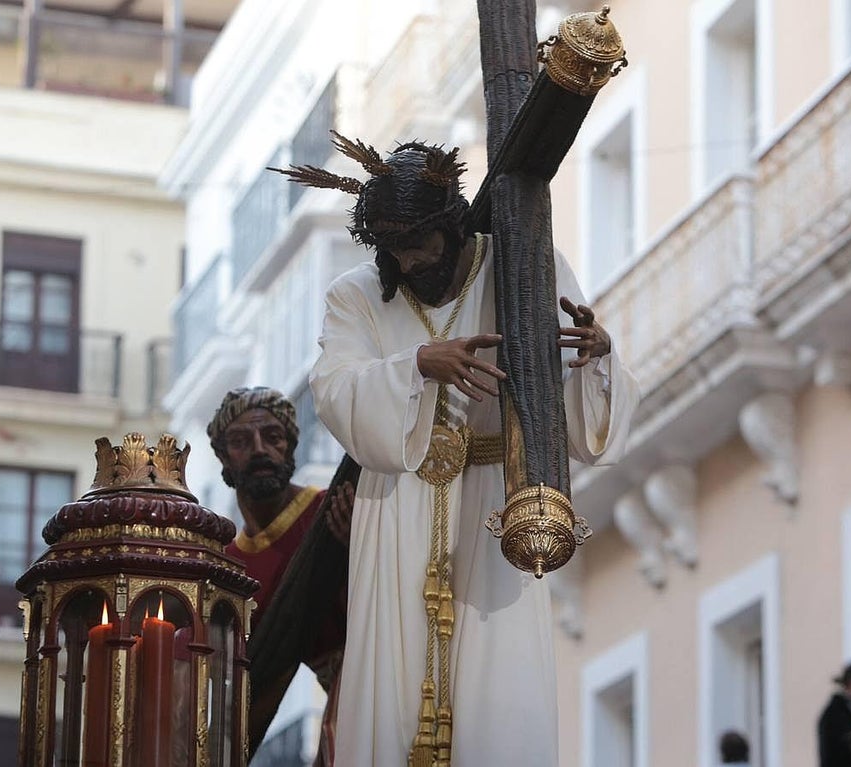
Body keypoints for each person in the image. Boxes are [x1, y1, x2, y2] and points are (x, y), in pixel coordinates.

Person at [293, 136, 639, 766]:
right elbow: (335, 389)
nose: (410, 262)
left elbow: (568, 407)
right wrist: (417, 363)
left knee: (500, 684)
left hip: (497, 496)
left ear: (451, 225)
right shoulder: (356, 294)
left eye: (421, 246)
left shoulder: (525, 266)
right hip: (395, 506)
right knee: (392, 690)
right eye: (394, 251)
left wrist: (596, 357)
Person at [207, 386, 354, 767]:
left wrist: (359, 550)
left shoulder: (333, 510)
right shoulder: (229, 568)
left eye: (272, 437)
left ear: (290, 445)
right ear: (222, 455)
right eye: (241, 440)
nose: (259, 449)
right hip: (334, 702)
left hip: (374, 678)